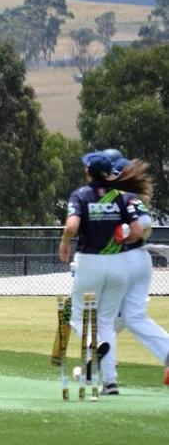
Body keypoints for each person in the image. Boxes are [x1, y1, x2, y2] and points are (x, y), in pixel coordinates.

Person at [58, 151, 143, 395]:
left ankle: (91, 345)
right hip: (118, 263)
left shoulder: (81, 195)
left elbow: (72, 226)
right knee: (105, 322)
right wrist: (122, 237)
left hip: (90, 262)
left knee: (76, 317)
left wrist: (64, 242)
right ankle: (110, 382)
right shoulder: (123, 197)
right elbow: (138, 232)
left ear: (88, 172)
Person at [106, 157, 169, 388]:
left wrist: (123, 234)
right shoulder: (135, 199)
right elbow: (146, 225)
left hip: (124, 259)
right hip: (141, 260)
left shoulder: (117, 198)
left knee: (106, 318)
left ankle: (105, 371)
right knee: (134, 317)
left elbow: (139, 226)